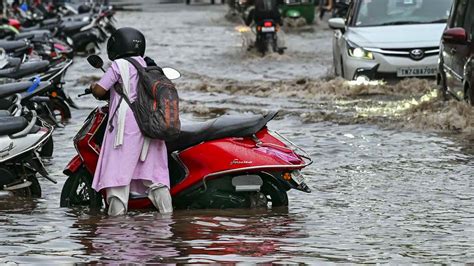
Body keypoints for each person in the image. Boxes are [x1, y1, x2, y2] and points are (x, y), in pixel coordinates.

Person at [90, 27, 173, 216]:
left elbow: (101, 90)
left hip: (126, 125)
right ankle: (167, 218)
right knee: (153, 174)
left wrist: (93, 86)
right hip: (150, 122)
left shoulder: (119, 65)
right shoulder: (148, 65)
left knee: (118, 172)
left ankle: (116, 224)